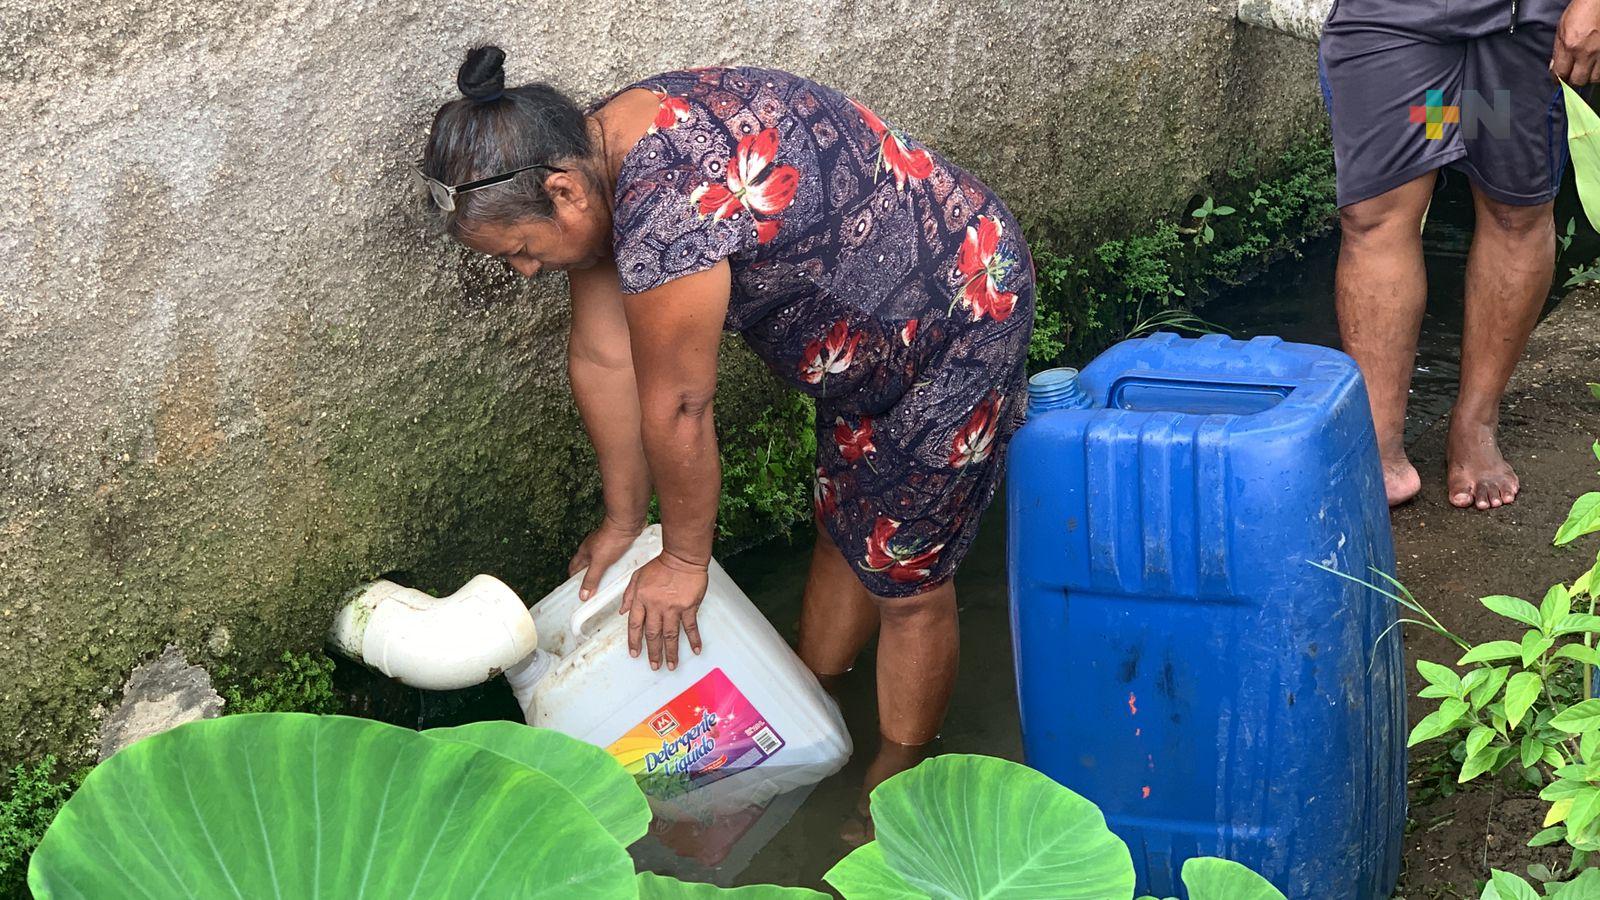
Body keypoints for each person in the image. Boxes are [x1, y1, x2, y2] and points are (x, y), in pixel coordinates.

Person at [415, 48, 1034, 820]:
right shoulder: (594, 149)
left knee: (907, 574)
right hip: (865, 341)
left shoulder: (667, 206)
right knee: (846, 528)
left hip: (958, 308)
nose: (529, 273)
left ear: (562, 192)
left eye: (522, 251)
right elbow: (604, 356)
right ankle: (816, 706)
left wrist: (682, 559)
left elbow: (680, 405)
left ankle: (894, 785)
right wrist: (620, 521)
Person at [1320, 0, 1600, 510]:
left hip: (1522, 21)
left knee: (1513, 209)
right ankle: (1377, 443)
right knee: (1377, 213)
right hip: (1395, 18)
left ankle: (1475, 423)